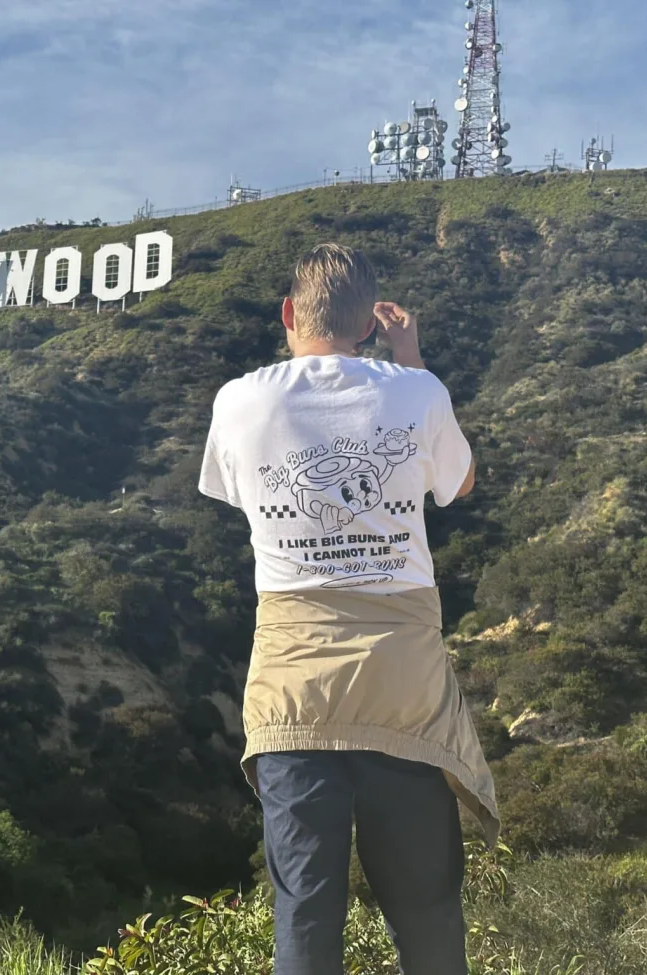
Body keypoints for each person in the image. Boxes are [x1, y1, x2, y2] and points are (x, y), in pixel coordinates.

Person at [198, 243, 500, 975]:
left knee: (305, 909)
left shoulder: (240, 399)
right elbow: (457, 484)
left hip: (294, 683)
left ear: (286, 314)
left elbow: (236, 493)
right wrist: (412, 361)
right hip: (404, 685)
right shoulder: (416, 391)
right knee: (426, 906)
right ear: (369, 323)